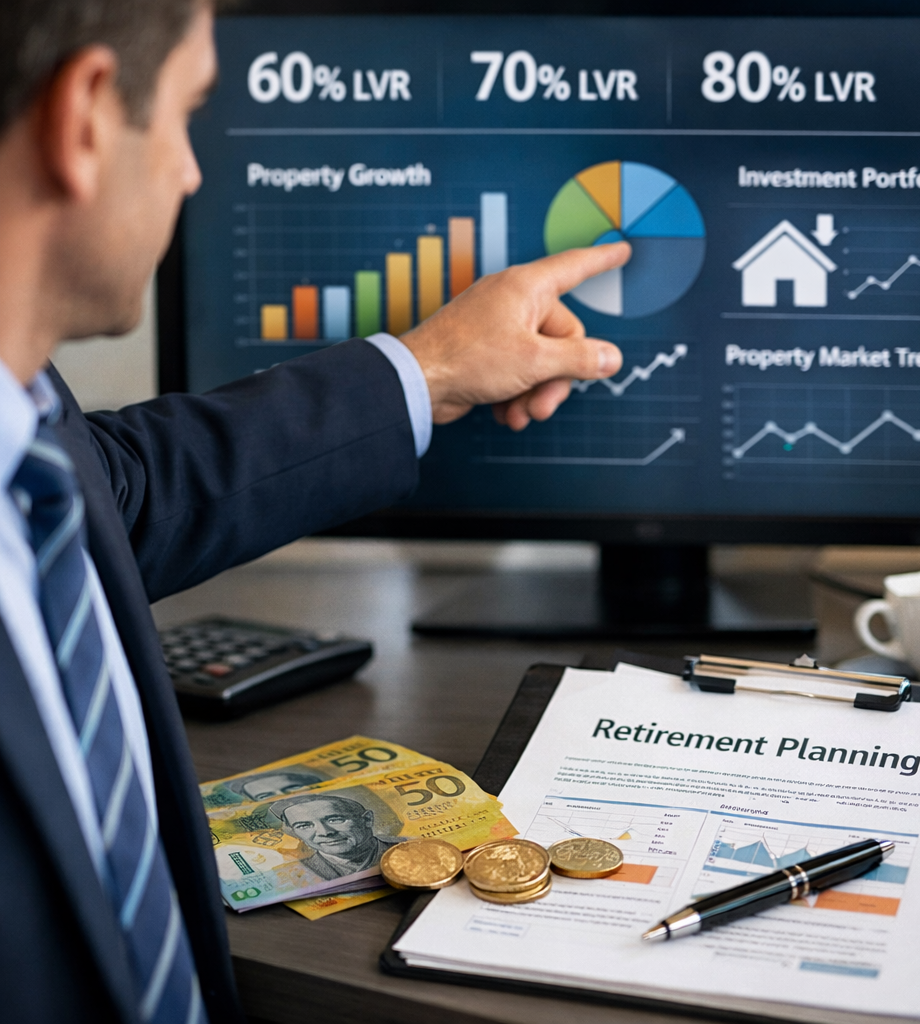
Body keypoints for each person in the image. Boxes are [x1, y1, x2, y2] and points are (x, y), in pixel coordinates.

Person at [0, 1, 629, 1022]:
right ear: (84, 119)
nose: (194, 172)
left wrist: (432, 369)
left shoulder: (25, 414)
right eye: (188, 113)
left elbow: (113, 491)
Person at [272, 794, 398, 880]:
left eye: (334, 820)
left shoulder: (406, 848)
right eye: (304, 826)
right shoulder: (293, 873)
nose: (325, 832)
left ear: (367, 819)